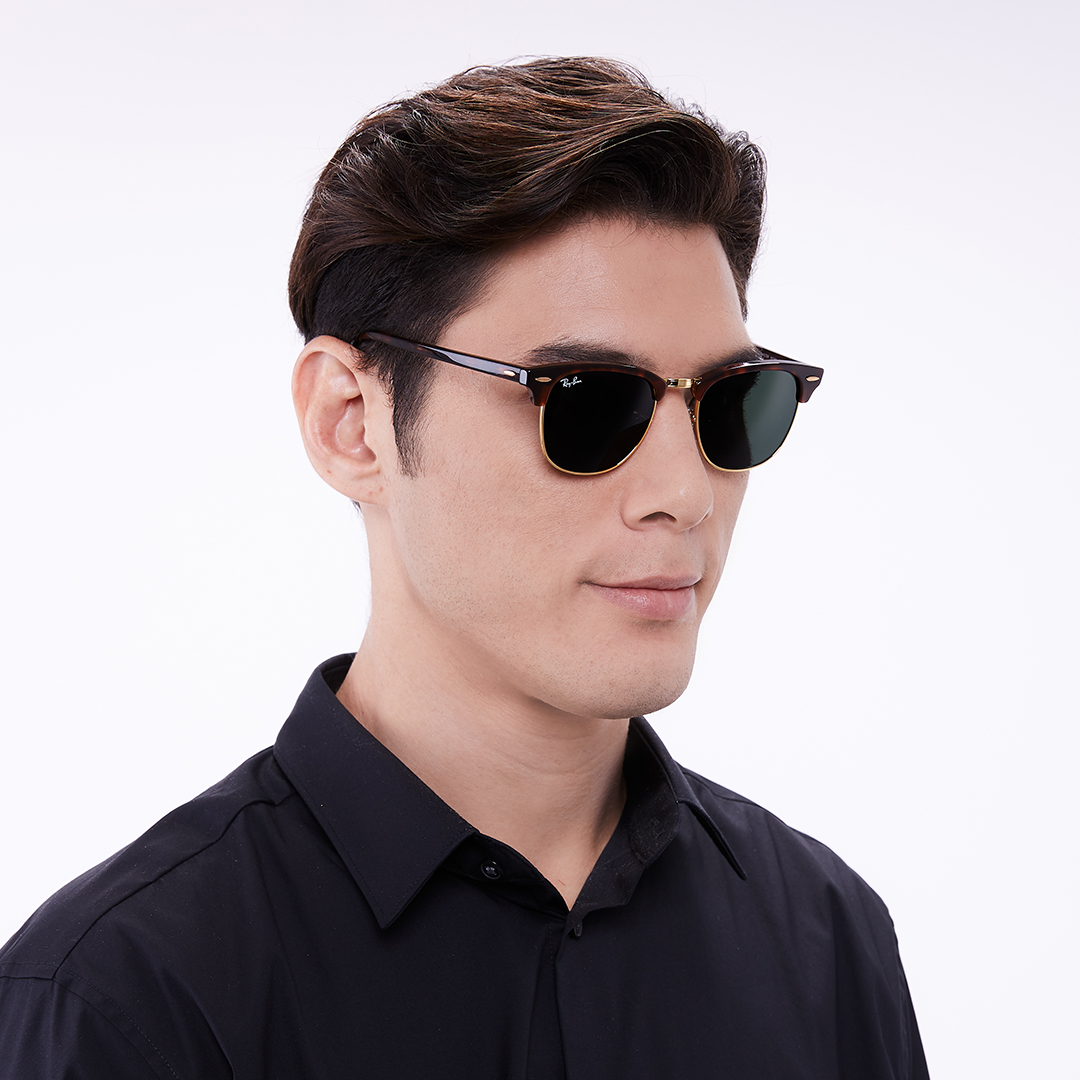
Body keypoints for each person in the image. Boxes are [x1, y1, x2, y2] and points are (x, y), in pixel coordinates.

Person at [0, 57, 928, 1078]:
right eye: (586, 401)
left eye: (730, 403)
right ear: (352, 423)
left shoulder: (828, 945)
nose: (686, 492)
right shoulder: (124, 1001)